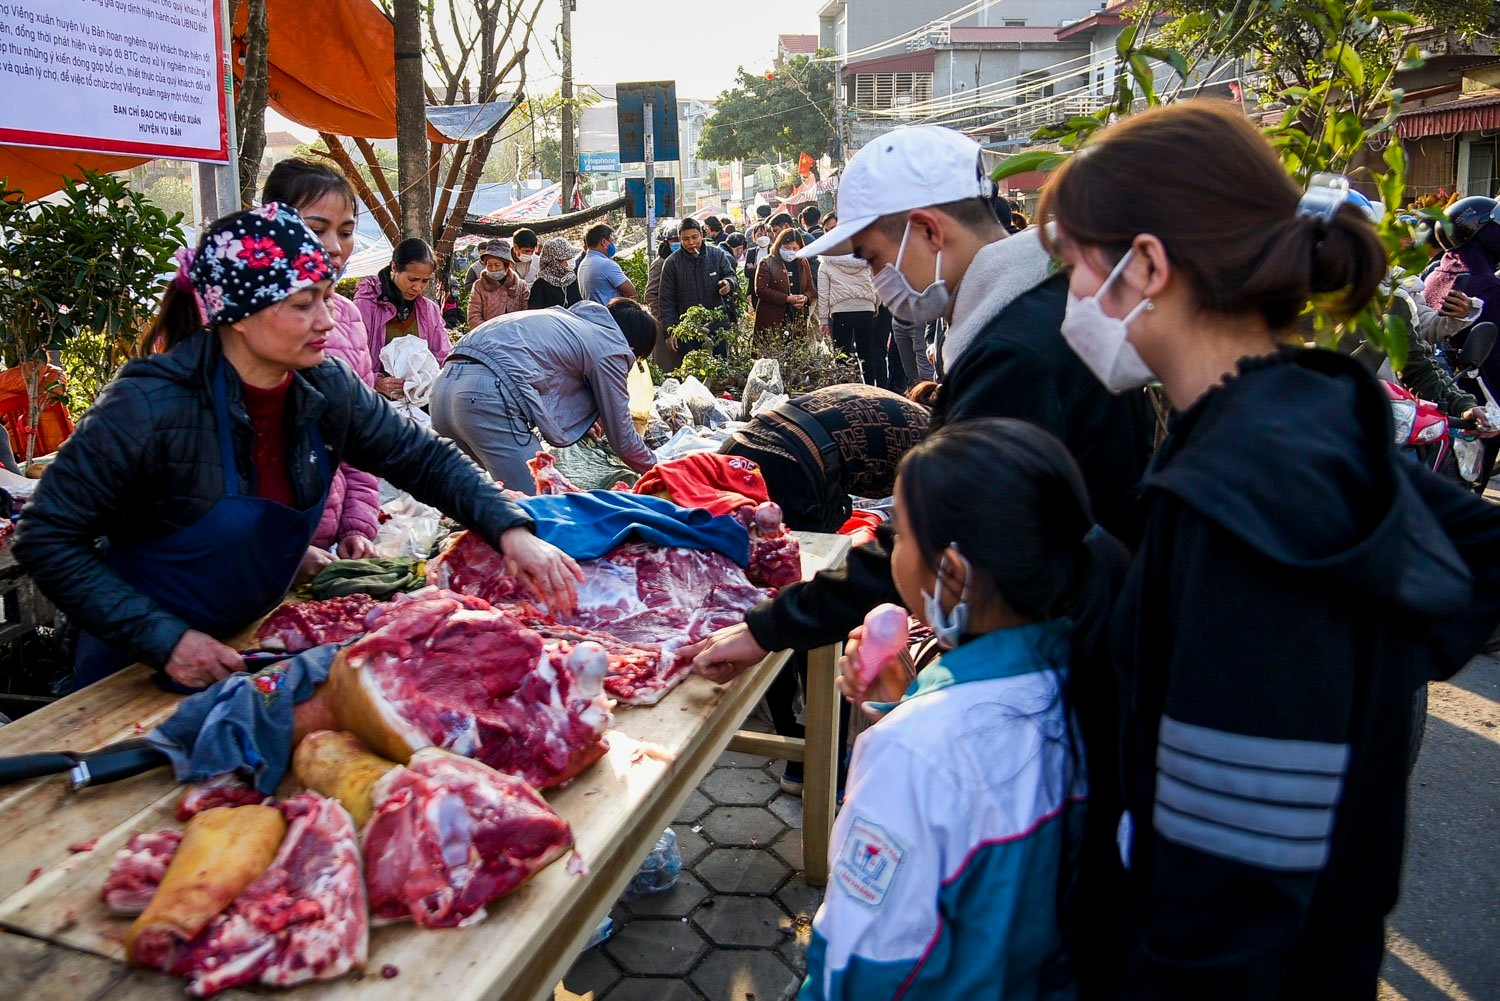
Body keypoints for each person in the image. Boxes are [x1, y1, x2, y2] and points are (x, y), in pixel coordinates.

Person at [1042, 100, 1500, 997]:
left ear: (1146, 265)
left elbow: (1226, 910)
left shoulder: (1243, 496)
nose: (1067, 300)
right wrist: (1366, 688)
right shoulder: (1304, 410)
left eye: (1072, 268)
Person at [682, 122, 1152, 739]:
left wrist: (768, 628)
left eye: (874, 258)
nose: (877, 279)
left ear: (929, 229)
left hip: (1065, 665)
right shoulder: (1042, 307)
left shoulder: (1016, 349)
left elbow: (939, 530)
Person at [12, 204, 583, 692]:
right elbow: (46, 536)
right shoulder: (147, 404)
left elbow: (421, 457)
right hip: (131, 674)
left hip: (244, 649)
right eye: (303, 304)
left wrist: (509, 530)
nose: (327, 320)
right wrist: (164, 639)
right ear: (237, 315)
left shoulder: (322, 386)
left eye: (328, 298)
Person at [801, 419, 1089, 1001]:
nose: (889, 542)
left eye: (901, 534)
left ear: (951, 571)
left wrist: (908, 722)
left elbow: (859, 966)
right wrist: (906, 700)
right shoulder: (1101, 676)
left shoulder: (913, 751)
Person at [260, 158, 381, 572]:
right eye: (317, 229)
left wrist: (357, 525)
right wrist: (276, 549)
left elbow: (365, 442)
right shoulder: (232, 327)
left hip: (323, 550)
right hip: (251, 560)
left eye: (346, 232)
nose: (334, 247)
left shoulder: (345, 317)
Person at [430, 298, 659, 493]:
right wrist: (664, 472)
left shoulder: (568, 322)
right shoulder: (612, 347)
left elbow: (542, 375)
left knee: (475, 509)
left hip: (442, 391)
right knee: (540, 512)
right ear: (632, 348)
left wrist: (578, 420)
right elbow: (624, 440)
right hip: (485, 399)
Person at [720, 384, 928, 533]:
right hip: (784, 467)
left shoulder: (897, 404)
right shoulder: (932, 441)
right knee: (791, 572)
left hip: (738, 443)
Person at [355, 237, 450, 399]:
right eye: (412, 279)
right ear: (394, 267)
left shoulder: (429, 310)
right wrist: (376, 382)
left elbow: (444, 356)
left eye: (425, 281)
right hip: (373, 402)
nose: (418, 287)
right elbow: (351, 359)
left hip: (420, 401)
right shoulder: (366, 305)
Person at [657, 217, 740, 370]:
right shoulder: (672, 263)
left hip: (717, 326)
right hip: (689, 330)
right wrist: (670, 332)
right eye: (685, 239)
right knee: (694, 372)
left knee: (720, 370)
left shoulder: (717, 255)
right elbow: (666, 300)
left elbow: (731, 276)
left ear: (702, 235)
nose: (691, 242)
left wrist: (728, 284)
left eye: (694, 237)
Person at [816, 246, 883, 386]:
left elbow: (823, 294)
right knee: (867, 354)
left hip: (840, 311)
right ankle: (871, 389)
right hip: (866, 309)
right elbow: (877, 284)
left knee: (842, 355)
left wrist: (823, 320)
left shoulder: (826, 262)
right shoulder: (867, 260)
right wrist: (876, 304)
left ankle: (845, 390)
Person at [754, 228, 815, 335]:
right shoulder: (767, 262)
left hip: (797, 317)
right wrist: (787, 299)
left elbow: (810, 288)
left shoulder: (803, 262)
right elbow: (761, 289)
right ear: (779, 246)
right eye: (786, 248)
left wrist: (805, 298)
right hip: (773, 317)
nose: (791, 252)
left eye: (795, 248)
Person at [467, 241, 531, 327]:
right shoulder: (479, 286)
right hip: (488, 335)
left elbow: (527, 313)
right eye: (489, 265)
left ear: (507, 266)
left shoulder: (521, 286)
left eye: (497, 265)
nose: (493, 269)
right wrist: (489, 331)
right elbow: (473, 316)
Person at [577, 224, 635, 304]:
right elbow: (631, 292)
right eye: (611, 241)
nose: (613, 245)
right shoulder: (606, 264)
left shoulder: (583, 264)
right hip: (611, 314)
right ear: (603, 242)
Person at [528, 237, 584, 310]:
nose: (572, 260)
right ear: (555, 261)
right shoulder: (540, 285)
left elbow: (580, 305)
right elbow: (535, 313)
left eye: (572, 257)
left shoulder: (572, 279)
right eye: (568, 258)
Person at [646, 228, 679, 321]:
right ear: (667, 242)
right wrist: (661, 318)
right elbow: (651, 294)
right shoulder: (660, 262)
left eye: (680, 239)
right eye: (674, 240)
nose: (678, 243)